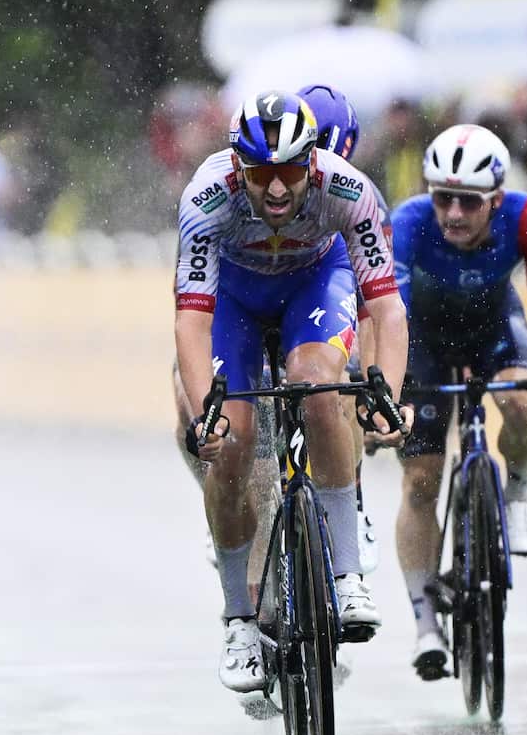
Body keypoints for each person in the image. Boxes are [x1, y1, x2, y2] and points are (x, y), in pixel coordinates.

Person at [174, 90, 412, 695]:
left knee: (318, 383)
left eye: (289, 172)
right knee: (232, 445)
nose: (277, 189)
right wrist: (207, 416)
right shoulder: (207, 197)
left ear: (313, 162)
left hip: (314, 283)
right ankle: (239, 620)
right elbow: (192, 322)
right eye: (260, 175)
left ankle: (348, 575)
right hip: (235, 299)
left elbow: (386, 308)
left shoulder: (348, 190)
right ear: (238, 167)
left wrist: (388, 395)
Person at [392, 124, 527, 680]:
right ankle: (426, 624)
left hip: (494, 327)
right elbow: (387, 317)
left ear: (496, 199)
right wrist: (387, 396)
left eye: (469, 202)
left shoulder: (526, 217)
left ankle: (516, 496)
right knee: (421, 479)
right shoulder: (407, 222)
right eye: (443, 197)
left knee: (524, 405)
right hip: (421, 340)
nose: (453, 213)